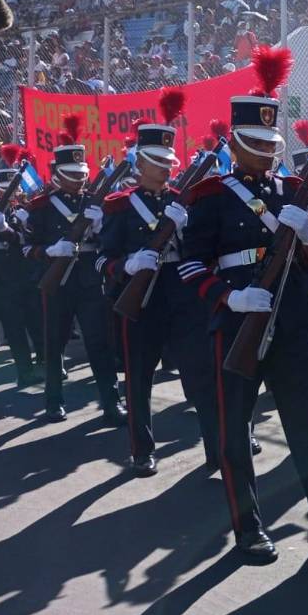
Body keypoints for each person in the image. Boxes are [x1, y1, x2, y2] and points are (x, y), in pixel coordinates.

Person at [178, 48, 308, 563]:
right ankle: (247, 529)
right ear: (235, 144)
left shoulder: (292, 191)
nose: (266, 153)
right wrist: (230, 295)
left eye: (271, 144)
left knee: (307, 428)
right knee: (236, 433)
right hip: (235, 322)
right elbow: (191, 266)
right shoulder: (213, 194)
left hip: (290, 323)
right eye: (255, 144)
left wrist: (307, 239)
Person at [97, 103, 216, 476]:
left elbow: (198, 250)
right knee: (139, 377)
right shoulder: (119, 206)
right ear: (141, 164)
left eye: (169, 161)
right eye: (159, 162)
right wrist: (127, 265)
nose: (167, 168)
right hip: (141, 296)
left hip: (180, 293)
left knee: (200, 370)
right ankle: (141, 449)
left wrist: (185, 230)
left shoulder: (181, 201)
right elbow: (102, 260)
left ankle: (219, 444)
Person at [25, 118, 126, 425]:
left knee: (99, 343)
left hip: (88, 283)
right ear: (57, 174)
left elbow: (111, 243)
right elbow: (28, 248)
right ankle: (53, 401)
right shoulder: (41, 206)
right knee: (54, 344)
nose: (79, 181)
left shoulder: (95, 202)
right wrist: (51, 251)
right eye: (71, 175)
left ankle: (112, 402)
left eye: (82, 175)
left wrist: (98, 228)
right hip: (57, 285)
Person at [0, 153, 42, 387]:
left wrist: (4, 226)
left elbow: (20, 239)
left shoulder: (7, 209)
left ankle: (30, 368)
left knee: (22, 321)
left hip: (12, 273)